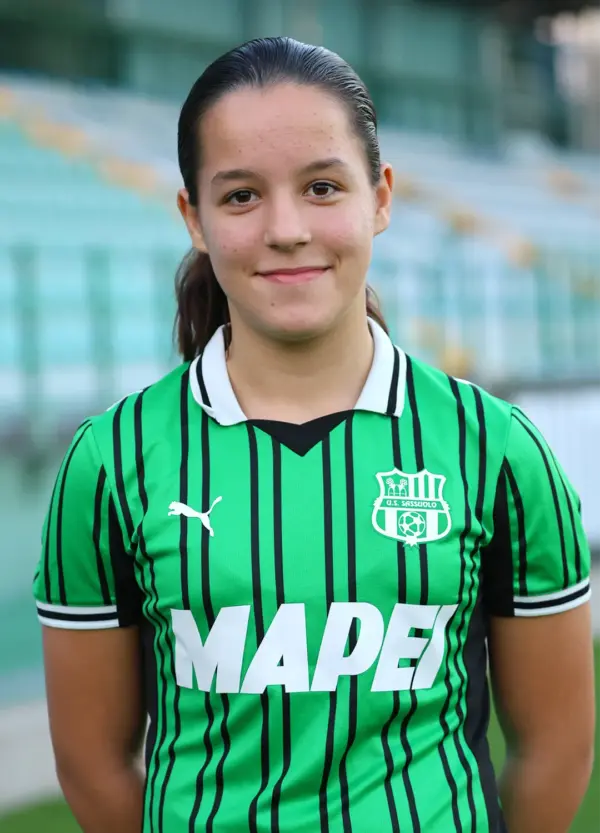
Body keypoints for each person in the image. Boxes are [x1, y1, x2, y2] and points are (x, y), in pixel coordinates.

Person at [33, 36, 594, 833]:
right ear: (193, 218)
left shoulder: (497, 448)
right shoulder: (111, 460)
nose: (287, 228)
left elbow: (556, 748)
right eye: (240, 196)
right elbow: (93, 763)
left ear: (381, 197)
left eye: (322, 187)